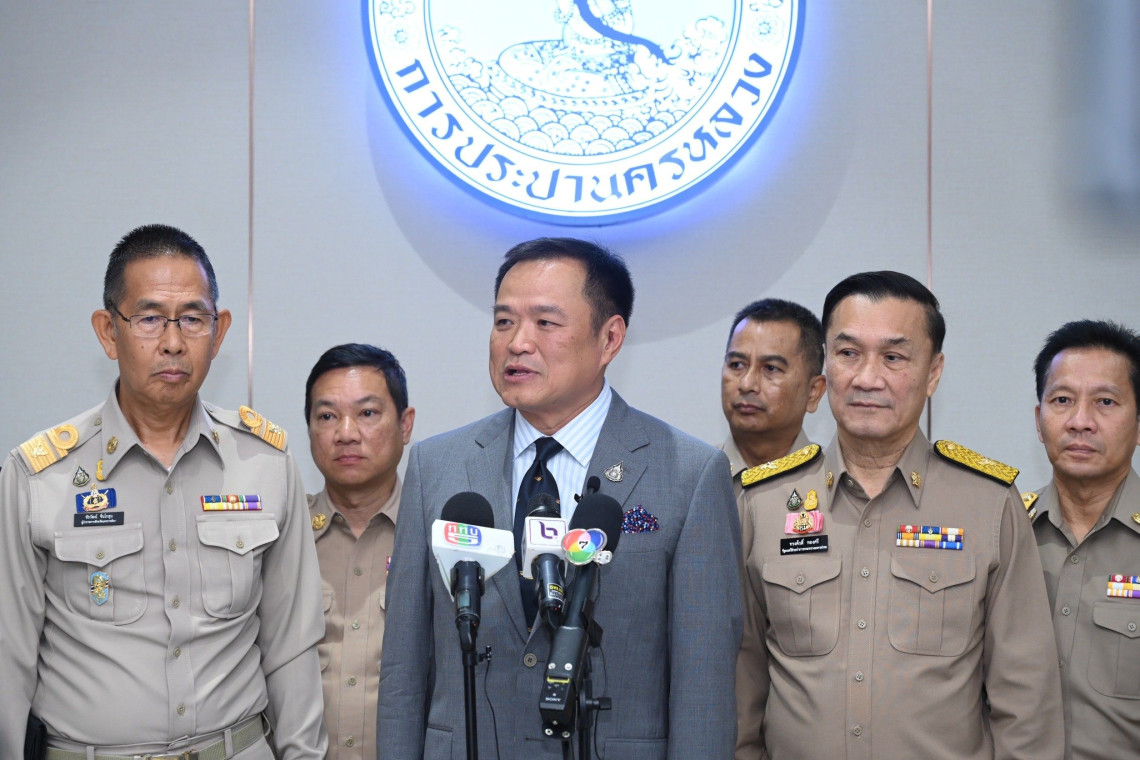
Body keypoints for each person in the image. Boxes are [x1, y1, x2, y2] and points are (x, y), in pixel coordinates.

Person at [378, 238, 742, 759]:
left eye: (545, 322)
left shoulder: (689, 474)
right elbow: (403, 672)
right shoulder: (436, 467)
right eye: (504, 322)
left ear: (609, 338)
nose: (517, 343)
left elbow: (703, 691)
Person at [0, 224, 326, 758]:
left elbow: (293, 646)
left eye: (192, 319)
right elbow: (7, 659)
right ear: (109, 332)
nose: (173, 342)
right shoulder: (39, 477)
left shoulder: (265, 464)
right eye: (149, 318)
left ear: (218, 332)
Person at [735, 271, 1064, 760]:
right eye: (848, 353)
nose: (867, 378)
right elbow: (741, 685)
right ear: (826, 365)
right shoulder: (762, 502)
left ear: (933, 372)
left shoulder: (989, 504)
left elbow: (1027, 702)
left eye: (893, 357)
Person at [1025, 319, 1140, 759]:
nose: (1080, 422)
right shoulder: (1002, 531)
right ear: (1039, 421)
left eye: (1105, 402)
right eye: (1062, 400)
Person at [306, 344, 415, 758]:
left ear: (405, 425)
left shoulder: (434, 539)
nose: (346, 433)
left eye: (367, 413)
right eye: (327, 416)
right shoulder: (282, 539)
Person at [720, 298, 825, 500]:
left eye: (771, 368)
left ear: (813, 391)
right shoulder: (689, 479)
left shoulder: (837, 488)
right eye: (737, 365)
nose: (747, 384)